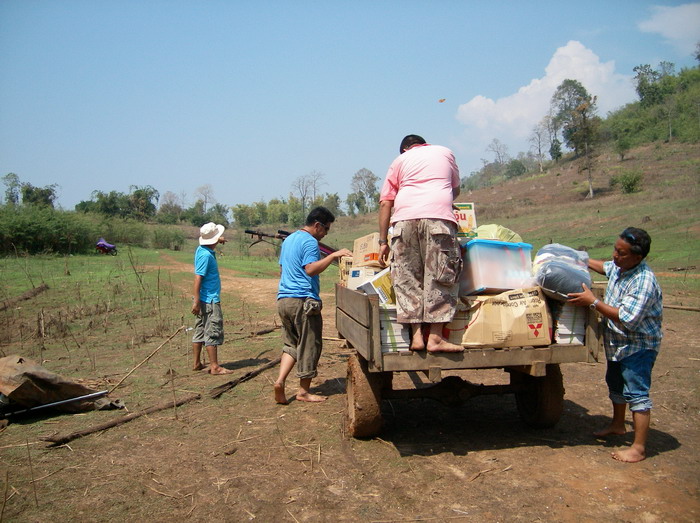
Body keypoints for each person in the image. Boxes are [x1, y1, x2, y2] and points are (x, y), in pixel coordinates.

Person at [568, 227, 662, 463]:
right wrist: (580, 258)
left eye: (621, 253)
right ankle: (618, 425)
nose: (615, 256)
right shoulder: (621, 268)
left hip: (638, 346)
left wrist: (593, 302)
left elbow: (627, 318)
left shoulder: (644, 281)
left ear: (637, 257)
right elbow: (605, 267)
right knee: (616, 385)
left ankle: (638, 448)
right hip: (618, 345)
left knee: (637, 394)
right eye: (615, 250)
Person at [378, 134, 464, 353]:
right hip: (438, 218)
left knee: (407, 277)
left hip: (403, 221)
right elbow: (455, 189)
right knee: (441, 275)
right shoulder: (445, 152)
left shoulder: (399, 162)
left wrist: (382, 242)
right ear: (423, 144)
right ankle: (435, 337)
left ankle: (416, 336)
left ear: (405, 149)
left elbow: (386, 202)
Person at [274, 207, 352, 404]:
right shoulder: (310, 242)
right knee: (310, 345)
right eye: (326, 229)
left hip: (284, 300)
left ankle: (280, 381)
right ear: (317, 225)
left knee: (291, 344)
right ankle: (303, 392)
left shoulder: (289, 239)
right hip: (303, 301)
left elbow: (283, 269)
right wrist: (333, 256)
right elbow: (310, 269)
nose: (326, 233)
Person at [191, 222, 233, 375]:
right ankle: (214, 366)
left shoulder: (201, 249)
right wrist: (196, 302)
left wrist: (217, 239)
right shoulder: (206, 256)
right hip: (209, 299)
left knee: (200, 329)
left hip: (203, 298)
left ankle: (196, 363)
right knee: (212, 330)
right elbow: (198, 279)